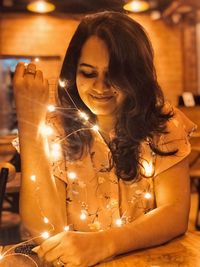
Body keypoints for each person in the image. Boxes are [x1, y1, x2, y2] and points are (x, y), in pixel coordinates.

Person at [13, 11, 196, 267]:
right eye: (88, 73)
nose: (101, 87)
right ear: (73, 71)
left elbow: (174, 214)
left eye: (114, 75)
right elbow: (45, 229)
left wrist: (105, 242)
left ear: (136, 76)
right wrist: (29, 120)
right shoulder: (56, 128)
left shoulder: (162, 123)